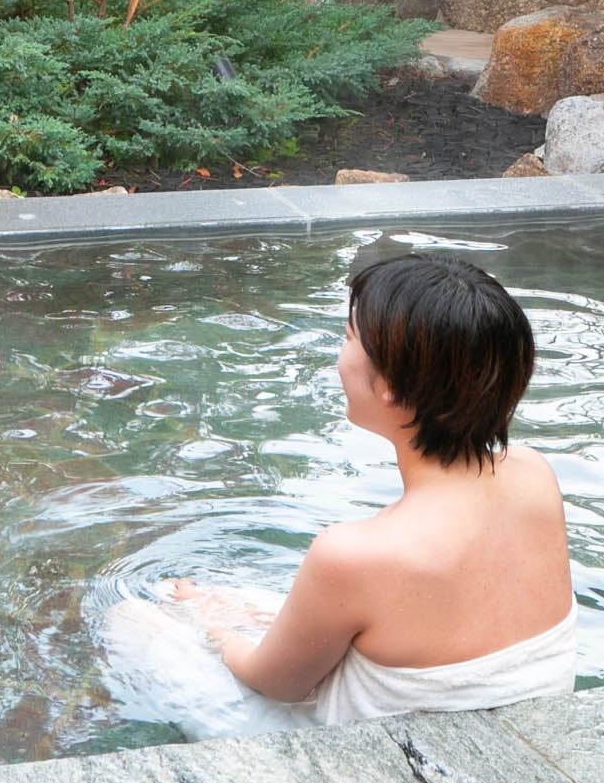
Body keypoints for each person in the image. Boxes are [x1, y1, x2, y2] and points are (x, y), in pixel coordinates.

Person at [167, 253, 574, 723]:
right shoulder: (534, 475)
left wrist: (212, 625)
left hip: (398, 767)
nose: (339, 358)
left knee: (143, 617)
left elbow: (275, 683)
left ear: (393, 390)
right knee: (249, 605)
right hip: (524, 733)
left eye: (347, 339)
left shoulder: (354, 554)